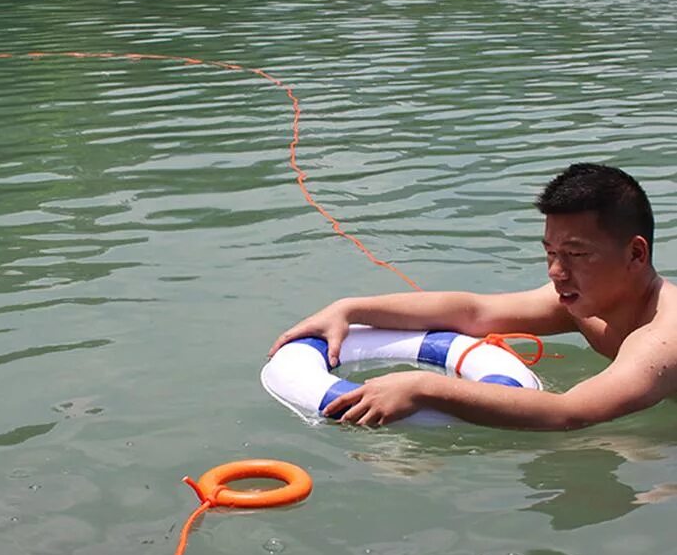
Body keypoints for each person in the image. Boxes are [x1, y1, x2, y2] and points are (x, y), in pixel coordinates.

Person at [268, 163, 677, 431]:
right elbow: (475, 312)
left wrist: (426, 388)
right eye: (550, 252)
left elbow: (569, 413)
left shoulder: (663, 337)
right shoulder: (584, 303)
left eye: (575, 254)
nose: (556, 271)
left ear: (636, 254)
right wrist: (349, 308)